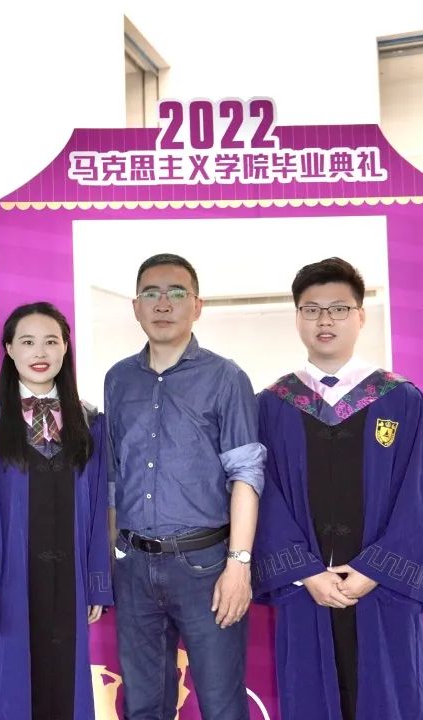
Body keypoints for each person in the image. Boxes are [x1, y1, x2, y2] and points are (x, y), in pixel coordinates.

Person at [252, 257, 423, 720]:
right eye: (311, 309)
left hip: (381, 591)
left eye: (339, 308)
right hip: (306, 590)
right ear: (297, 317)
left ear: (360, 316)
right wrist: (306, 572)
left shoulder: (402, 400)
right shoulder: (272, 405)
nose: (325, 320)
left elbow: (421, 497)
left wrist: (374, 570)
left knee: (386, 697)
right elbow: (263, 495)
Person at [104, 253, 265, 720]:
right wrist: (113, 558)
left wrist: (238, 566)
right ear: (136, 307)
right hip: (135, 566)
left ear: (197, 306)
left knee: (220, 705)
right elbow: (113, 476)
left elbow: (247, 474)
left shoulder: (226, 378)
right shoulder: (118, 379)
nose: (163, 303)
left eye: (176, 293)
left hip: (206, 567)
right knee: (142, 706)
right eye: (151, 293)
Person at [0, 301, 113, 720]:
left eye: (51, 341)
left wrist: (97, 582)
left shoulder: (88, 421)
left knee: (63, 682)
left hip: (69, 578)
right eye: (27, 342)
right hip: (5, 571)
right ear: (9, 349)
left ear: (66, 347)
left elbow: (98, 506)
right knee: (7, 679)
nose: (40, 352)